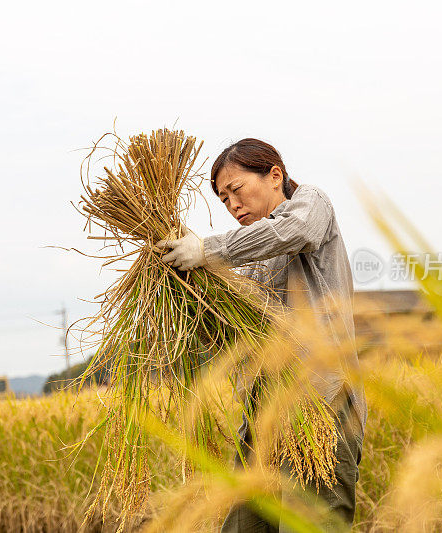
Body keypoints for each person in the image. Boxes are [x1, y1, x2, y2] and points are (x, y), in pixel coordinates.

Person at [157, 138, 367, 532]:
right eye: (223, 200)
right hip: (261, 422)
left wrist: (206, 250)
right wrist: (186, 291)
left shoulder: (310, 204)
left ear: (274, 175)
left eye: (236, 190)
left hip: (320, 409)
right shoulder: (250, 258)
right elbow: (230, 338)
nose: (232, 205)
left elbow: (294, 231)